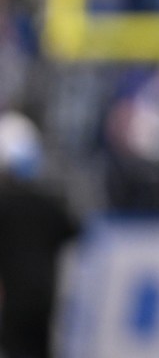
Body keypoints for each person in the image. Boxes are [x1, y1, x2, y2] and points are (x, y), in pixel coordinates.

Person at [0, 111, 82, 358]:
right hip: (45, 296)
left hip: (13, 300)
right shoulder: (48, 201)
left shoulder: (5, 203)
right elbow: (75, 231)